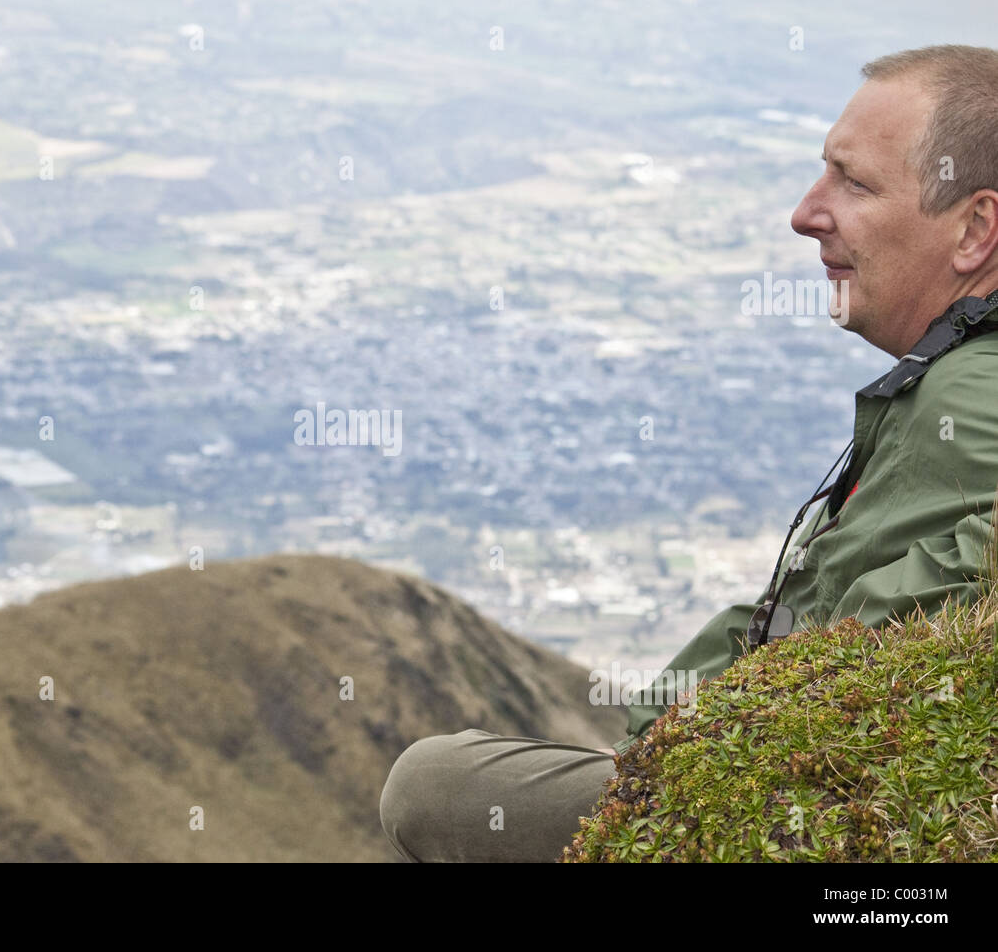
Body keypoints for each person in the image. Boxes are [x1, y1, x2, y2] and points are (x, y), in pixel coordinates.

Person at [379, 44, 998, 862]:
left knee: (433, 785)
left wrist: (685, 752)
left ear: (975, 230)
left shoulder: (970, 396)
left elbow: (845, 632)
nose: (807, 212)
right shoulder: (953, 378)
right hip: (775, 763)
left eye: (853, 183)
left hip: (799, 793)